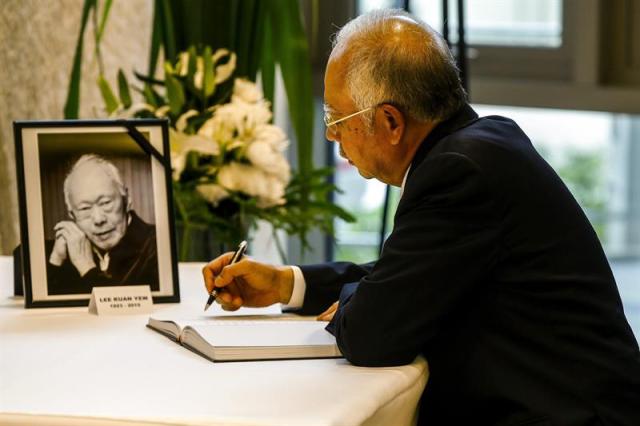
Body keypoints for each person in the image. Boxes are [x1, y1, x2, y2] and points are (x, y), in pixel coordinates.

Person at [202, 9, 640, 426]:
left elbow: (372, 336)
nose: (332, 135)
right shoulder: (480, 145)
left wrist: (365, 302)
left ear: (391, 121)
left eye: (337, 117)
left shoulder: (459, 173)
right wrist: (287, 284)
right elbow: (408, 273)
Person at [46, 154, 159, 294]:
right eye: (84, 209)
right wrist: (56, 260)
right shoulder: (60, 251)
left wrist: (87, 268)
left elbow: (123, 312)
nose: (98, 219)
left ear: (127, 199)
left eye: (106, 203)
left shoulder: (157, 246)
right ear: (72, 215)